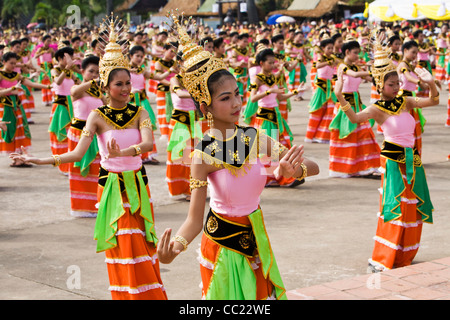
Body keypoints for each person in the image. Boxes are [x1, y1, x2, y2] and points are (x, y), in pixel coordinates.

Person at [157, 13, 319, 300]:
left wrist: (295, 171)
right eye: (225, 98)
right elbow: (194, 219)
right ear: (205, 107)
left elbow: (313, 167)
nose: (236, 103)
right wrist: (175, 249)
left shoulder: (255, 138)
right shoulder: (202, 154)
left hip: (256, 240)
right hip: (221, 245)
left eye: (237, 94)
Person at [10, 17, 167, 299]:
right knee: (123, 242)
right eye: (118, 84)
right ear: (104, 87)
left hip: (138, 185)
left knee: (142, 241)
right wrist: (41, 160)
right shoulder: (96, 116)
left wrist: (126, 153)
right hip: (111, 187)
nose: (126, 89)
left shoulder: (140, 113)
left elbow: (147, 143)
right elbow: (77, 153)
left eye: (128, 83)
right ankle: (127, 293)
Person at [334, 35, 437, 272]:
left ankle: (406, 252)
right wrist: (340, 96)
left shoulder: (406, 102)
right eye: (392, 85)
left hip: (413, 159)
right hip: (392, 161)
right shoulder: (376, 109)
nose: (397, 87)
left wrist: (430, 83)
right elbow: (354, 118)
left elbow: (433, 101)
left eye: (398, 83)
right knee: (394, 206)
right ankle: (386, 254)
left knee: (412, 206)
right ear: (380, 86)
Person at [328, 36, 380, 178]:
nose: (358, 56)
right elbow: (356, 74)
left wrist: (382, 77)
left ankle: (366, 167)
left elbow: (370, 79)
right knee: (349, 137)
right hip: (345, 106)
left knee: (364, 136)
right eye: (355, 52)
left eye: (358, 52)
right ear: (347, 52)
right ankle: (349, 168)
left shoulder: (356, 66)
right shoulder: (342, 66)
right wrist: (371, 71)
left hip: (356, 105)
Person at [67, 55, 105, 218]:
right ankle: (80, 207)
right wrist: (93, 81)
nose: (94, 74)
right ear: (82, 71)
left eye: (97, 72)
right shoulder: (77, 89)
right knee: (80, 171)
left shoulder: (98, 92)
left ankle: (95, 205)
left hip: (95, 135)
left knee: (96, 171)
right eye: (91, 71)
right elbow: (74, 91)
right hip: (79, 134)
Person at [0, 52, 51, 166]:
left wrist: (47, 86)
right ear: (4, 62)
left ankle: (18, 157)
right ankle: (15, 157)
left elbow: (31, 84)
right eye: (11, 63)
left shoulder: (16, 75)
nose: (14, 66)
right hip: (5, 108)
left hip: (16, 106)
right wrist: (11, 89)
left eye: (15, 63)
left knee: (19, 131)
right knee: (9, 130)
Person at [49, 46, 80, 175]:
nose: (71, 60)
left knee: (71, 134)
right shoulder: (54, 70)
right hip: (61, 106)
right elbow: (58, 82)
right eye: (68, 57)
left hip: (71, 105)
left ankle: (69, 163)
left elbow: (80, 81)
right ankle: (62, 164)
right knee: (60, 134)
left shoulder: (71, 73)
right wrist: (67, 68)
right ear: (61, 58)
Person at [305, 34, 337, 143]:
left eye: (332, 48)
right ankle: (312, 135)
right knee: (318, 110)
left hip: (330, 86)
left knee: (330, 110)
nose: (330, 50)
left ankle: (323, 135)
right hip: (321, 86)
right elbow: (317, 66)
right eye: (328, 48)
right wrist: (328, 62)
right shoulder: (321, 57)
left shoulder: (333, 58)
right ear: (323, 48)